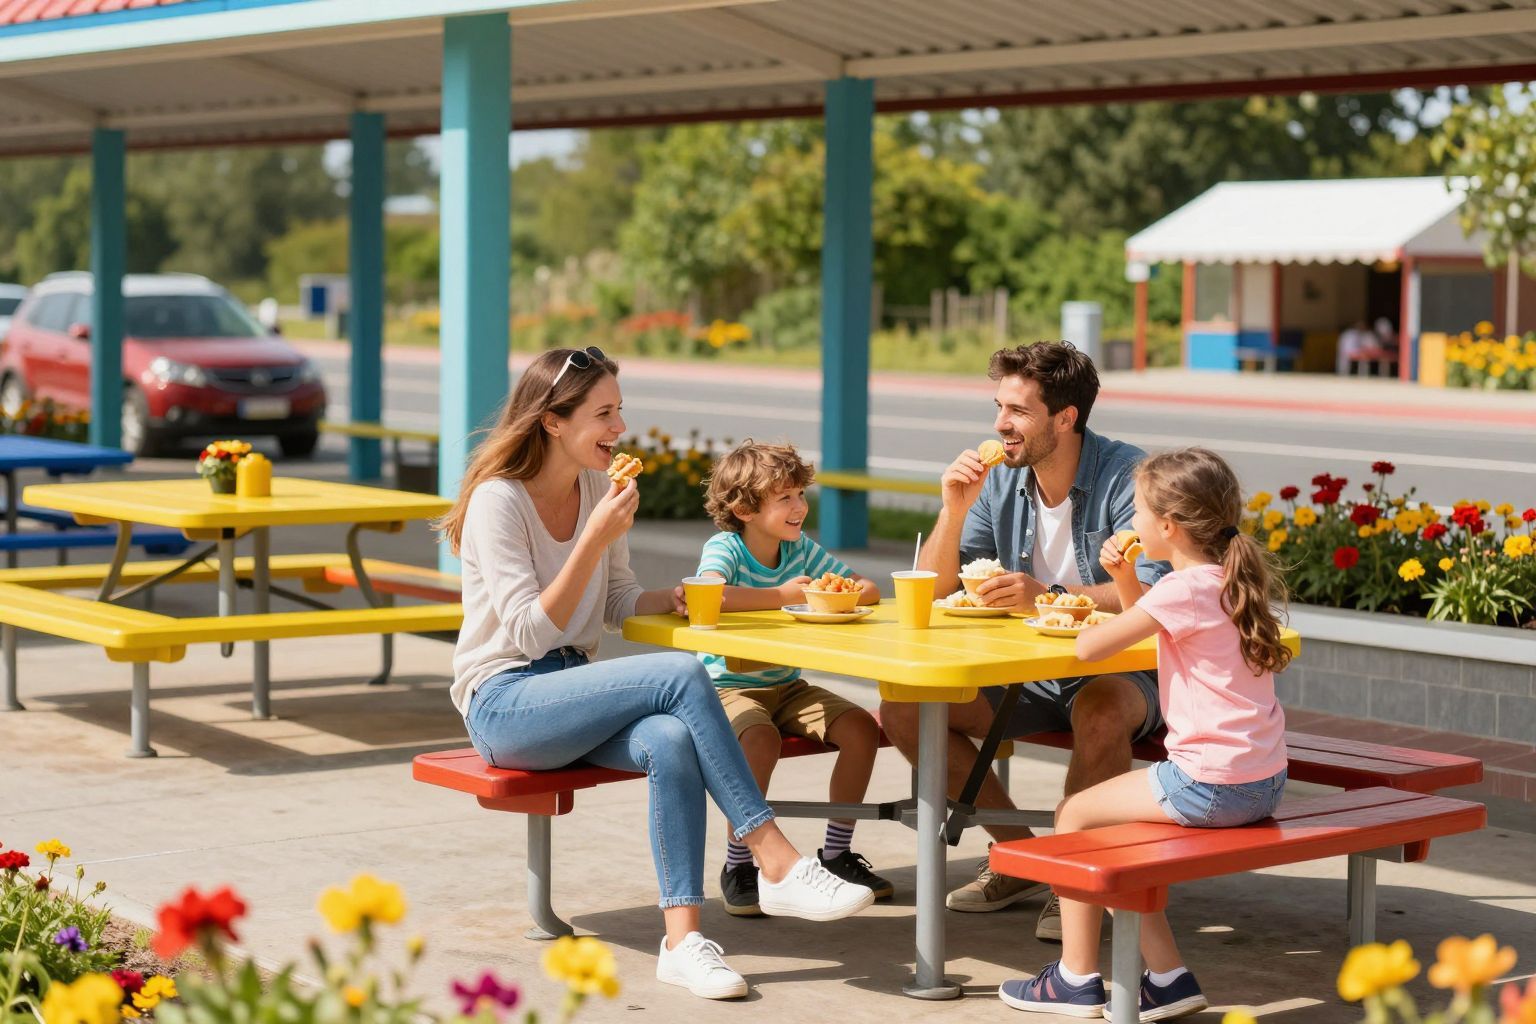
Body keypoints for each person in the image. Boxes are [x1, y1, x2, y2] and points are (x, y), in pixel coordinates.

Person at [438, 347, 874, 1002]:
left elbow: (615, 603)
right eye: (603, 414)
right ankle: (776, 859)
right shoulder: (500, 502)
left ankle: (683, 942)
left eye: (620, 411)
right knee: (677, 675)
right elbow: (529, 632)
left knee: (669, 739)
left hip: (571, 690)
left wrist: (667, 597)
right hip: (506, 701)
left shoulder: (599, 490)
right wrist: (592, 536)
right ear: (553, 422)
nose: (619, 429)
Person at [878, 341, 1169, 942]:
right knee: (905, 708)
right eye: (998, 407)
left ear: (1066, 418)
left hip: (1122, 665)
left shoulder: (1128, 477)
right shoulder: (1001, 480)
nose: (999, 425)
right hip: (1028, 668)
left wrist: (1052, 595)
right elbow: (935, 590)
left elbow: (1153, 586)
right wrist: (953, 511)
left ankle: (1076, 883)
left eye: (1017, 411)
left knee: (1101, 709)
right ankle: (1025, 860)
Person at [998, 447, 1291, 1020]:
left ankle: (1075, 978)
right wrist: (1124, 578)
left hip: (1209, 784)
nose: (1128, 523)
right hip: (1262, 781)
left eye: (1135, 512)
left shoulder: (1183, 590)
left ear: (1168, 527)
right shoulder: (1225, 579)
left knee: (1073, 817)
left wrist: (1057, 602)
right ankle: (1168, 977)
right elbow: (1149, 630)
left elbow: (1089, 647)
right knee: (1115, 843)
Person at [692, 441, 893, 916]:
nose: (800, 506)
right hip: (727, 686)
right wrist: (781, 595)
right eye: (785, 497)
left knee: (862, 729)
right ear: (743, 508)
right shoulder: (725, 547)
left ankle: (838, 853)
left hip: (787, 685)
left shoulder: (798, 547)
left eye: (800, 494)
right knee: (759, 740)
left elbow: (864, 586)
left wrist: (842, 591)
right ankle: (740, 864)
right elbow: (710, 595)